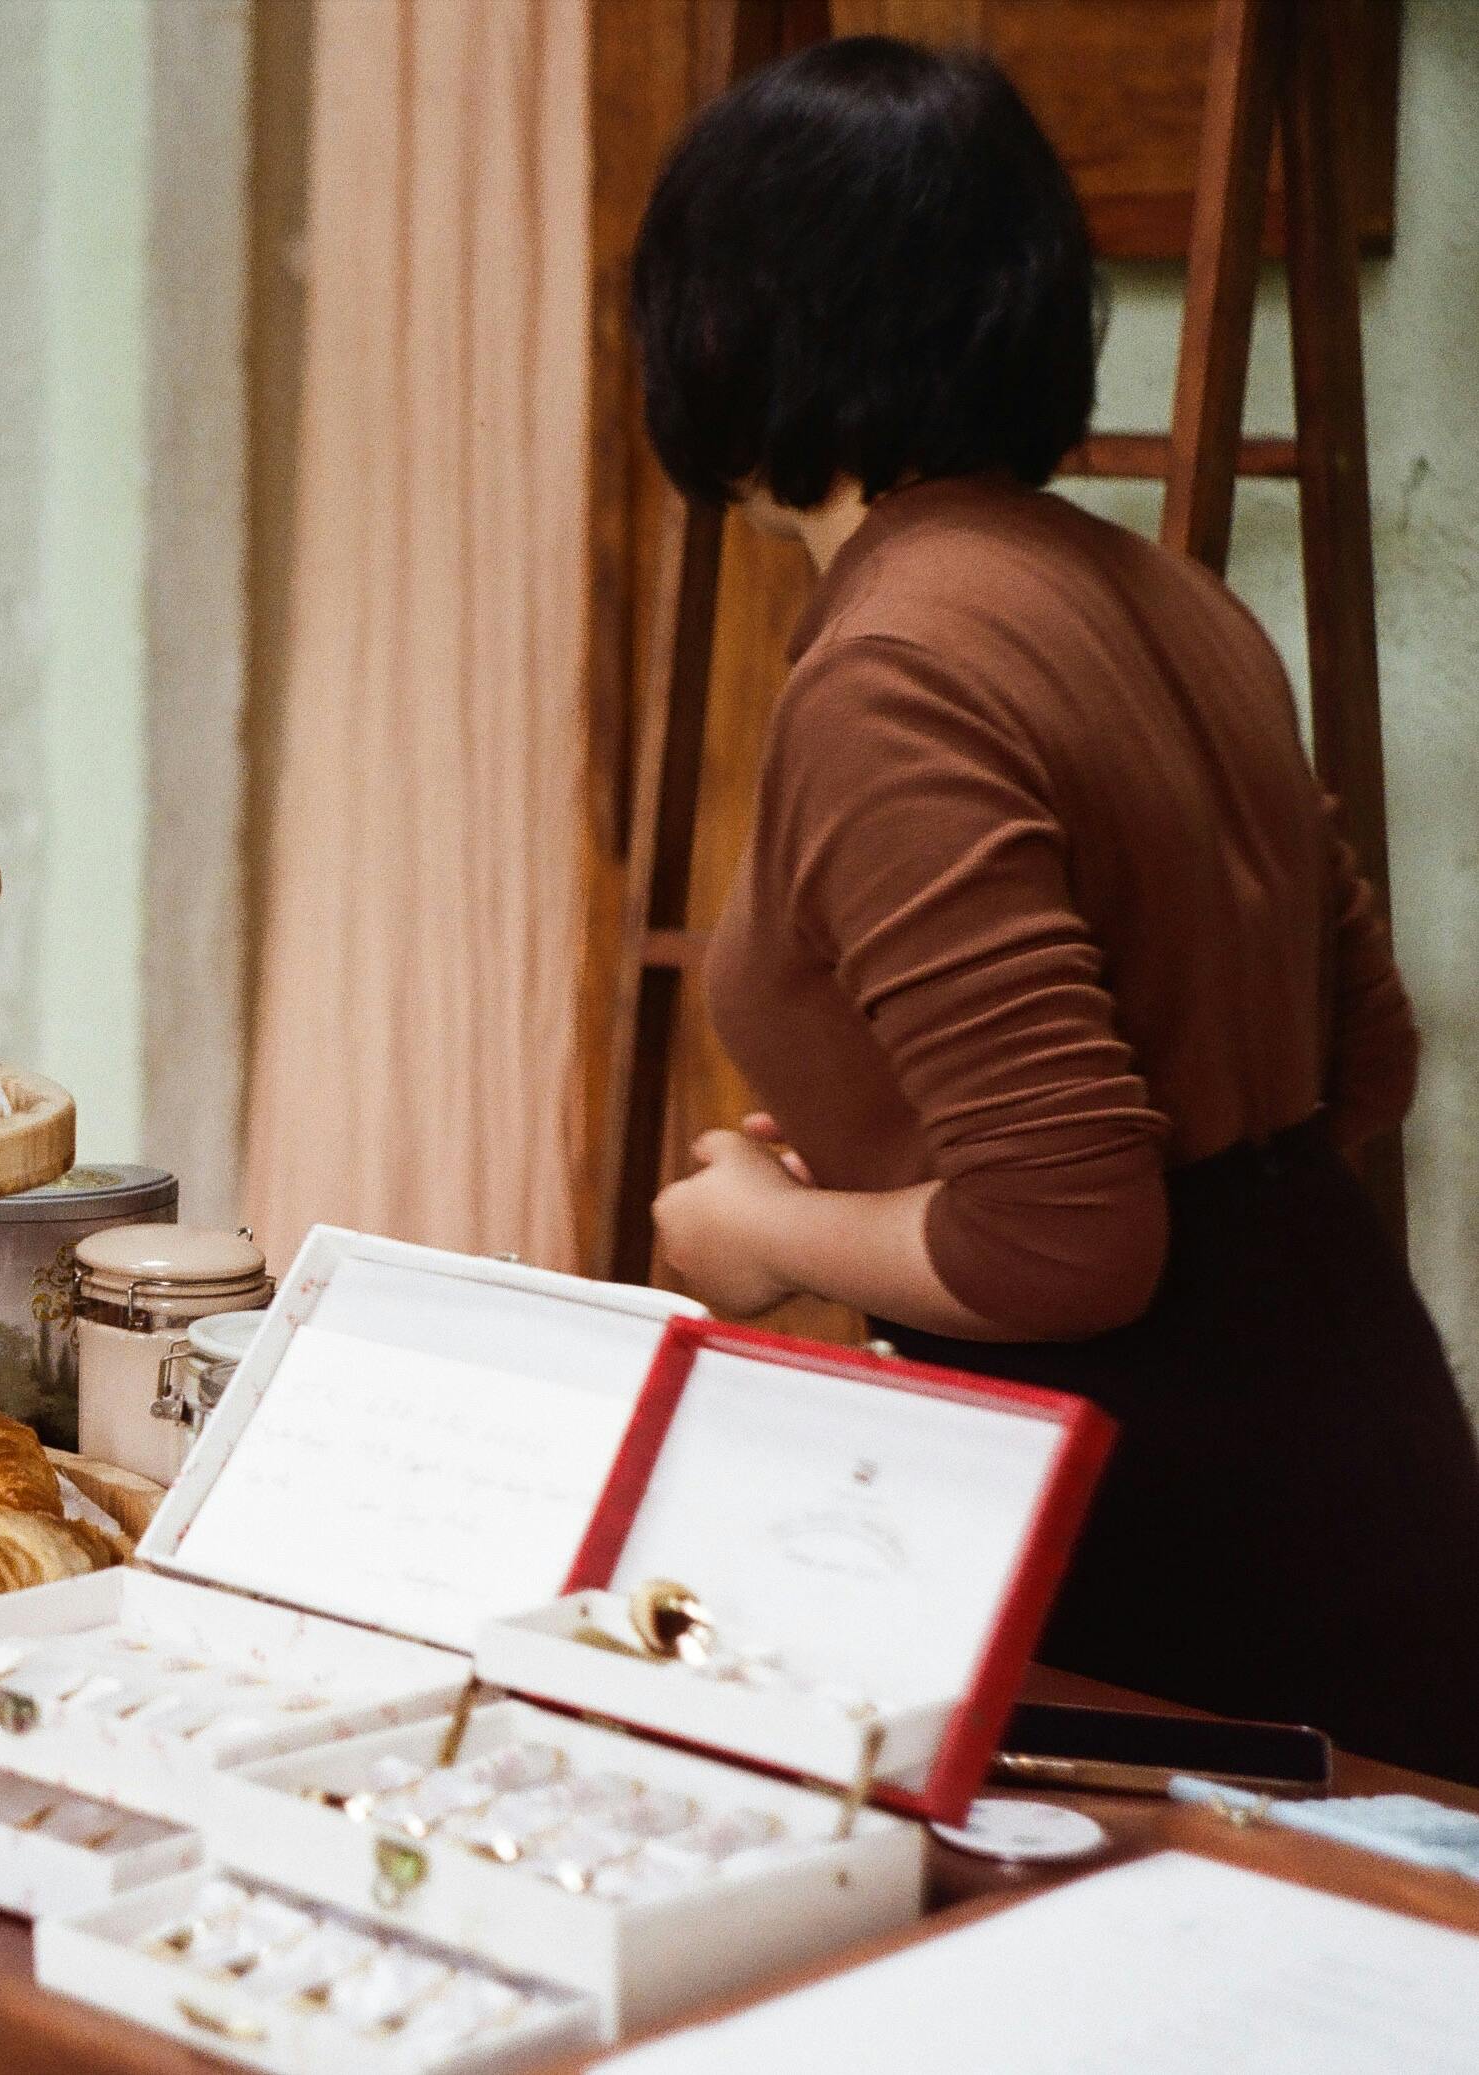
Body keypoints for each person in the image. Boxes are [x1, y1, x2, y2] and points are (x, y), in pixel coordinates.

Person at [628, 35, 1479, 1782]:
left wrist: (763, 1233)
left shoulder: (889, 665)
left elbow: (1068, 1240)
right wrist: (897, 1167)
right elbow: (1355, 1072)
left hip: (1161, 1534)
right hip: (1356, 1431)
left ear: (725, 329)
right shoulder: (1169, 597)